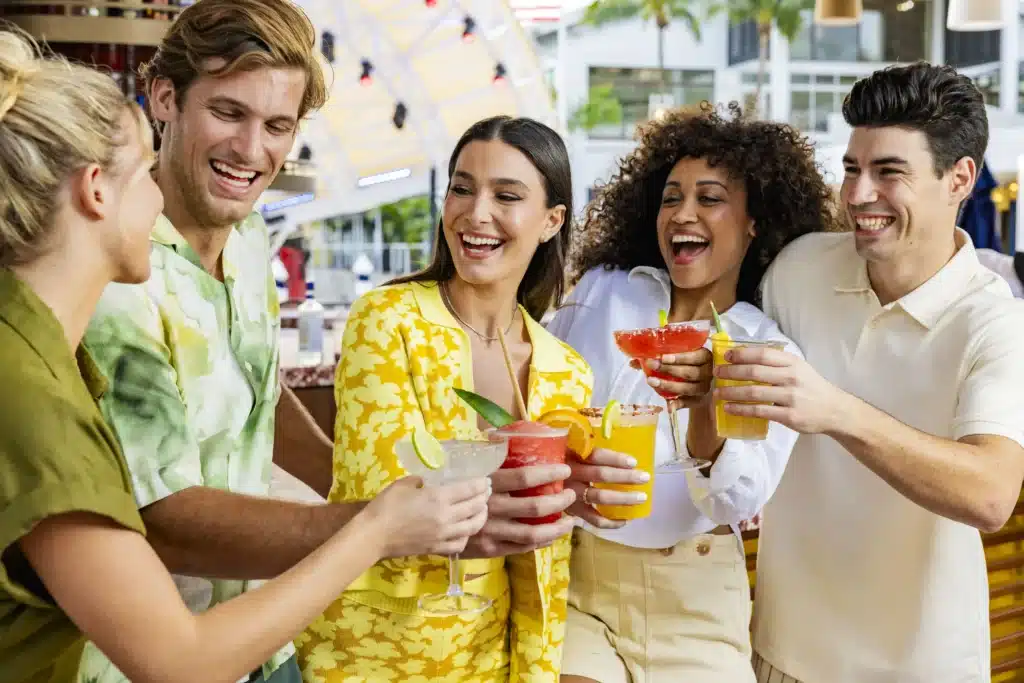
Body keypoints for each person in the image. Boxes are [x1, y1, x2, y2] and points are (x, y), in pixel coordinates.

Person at [0, 27, 490, 683]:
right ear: (96, 190)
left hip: (254, 638)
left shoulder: (39, 355)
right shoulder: (37, 399)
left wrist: (379, 502)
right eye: (143, 172)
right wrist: (377, 529)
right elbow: (177, 656)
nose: (156, 197)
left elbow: (254, 385)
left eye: (277, 125)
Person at [295, 115, 644, 682]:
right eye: (462, 188)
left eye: (506, 196)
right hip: (370, 654)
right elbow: (377, 497)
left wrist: (581, 497)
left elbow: (544, 563)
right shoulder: (387, 320)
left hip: (494, 658)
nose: (476, 213)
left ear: (552, 221)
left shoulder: (566, 370)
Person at [715, 64, 1024, 683]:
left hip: (925, 668)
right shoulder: (798, 268)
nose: (857, 195)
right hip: (782, 654)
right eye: (852, 168)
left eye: (889, 172)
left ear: (959, 179)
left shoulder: (994, 321)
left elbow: (991, 495)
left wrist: (834, 410)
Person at [548, 103, 834, 683]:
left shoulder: (766, 350)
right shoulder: (604, 290)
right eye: (671, 198)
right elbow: (542, 393)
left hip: (694, 598)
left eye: (709, 198)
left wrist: (705, 403)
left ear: (754, 223)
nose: (683, 213)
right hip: (579, 581)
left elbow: (734, 502)